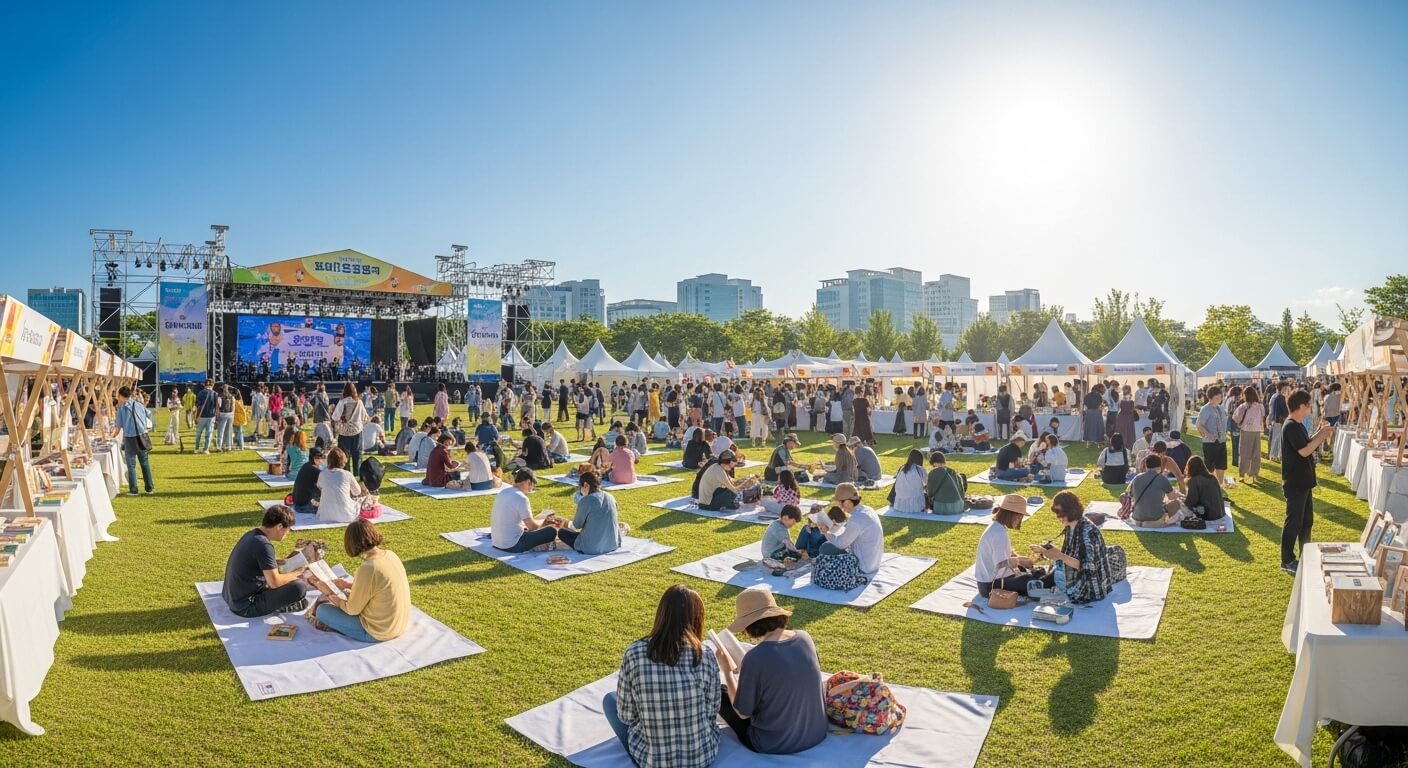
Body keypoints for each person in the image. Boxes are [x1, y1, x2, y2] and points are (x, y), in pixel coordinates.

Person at [603, 585, 721, 768]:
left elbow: (626, 716)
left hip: (651, 760)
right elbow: (712, 710)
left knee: (609, 700)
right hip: (702, 756)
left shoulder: (634, 652)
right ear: (697, 617)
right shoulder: (704, 654)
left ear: (662, 613)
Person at [714, 587, 829, 755]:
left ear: (749, 625)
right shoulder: (805, 637)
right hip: (816, 732)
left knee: (720, 692)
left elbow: (743, 713)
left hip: (773, 742)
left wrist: (727, 672)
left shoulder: (756, 658)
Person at [306, 520, 411, 643]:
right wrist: (348, 585)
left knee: (322, 611)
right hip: (399, 625)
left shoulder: (369, 568)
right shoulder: (390, 554)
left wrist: (330, 594)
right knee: (345, 592)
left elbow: (352, 610)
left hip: (378, 632)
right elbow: (379, 588)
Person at [221, 504, 309, 618]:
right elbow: (274, 582)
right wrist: (299, 572)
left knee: (289, 579)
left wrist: (287, 561)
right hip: (246, 606)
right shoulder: (263, 545)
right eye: (287, 530)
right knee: (299, 587)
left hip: (232, 598)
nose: (287, 534)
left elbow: (263, 562)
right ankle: (282, 605)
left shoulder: (252, 535)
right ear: (280, 526)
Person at [1027, 491, 1113, 604]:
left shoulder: (1088, 532)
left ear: (1071, 510)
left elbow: (1087, 567)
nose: (1058, 517)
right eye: (1056, 513)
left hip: (1090, 587)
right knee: (1035, 585)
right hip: (1072, 575)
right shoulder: (1071, 526)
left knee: (1036, 587)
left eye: (1061, 513)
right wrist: (1045, 551)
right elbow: (1068, 556)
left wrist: (1059, 555)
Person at [1281, 390, 1333, 575]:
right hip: (1295, 482)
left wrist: (1320, 432)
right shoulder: (1290, 426)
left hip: (1304, 481)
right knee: (1294, 522)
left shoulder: (1298, 425)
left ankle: (1306, 555)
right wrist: (1322, 435)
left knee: (1306, 521)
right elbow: (1304, 451)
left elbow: (1307, 443)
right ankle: (1287, 560)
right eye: (1309, 405)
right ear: (1301, 406)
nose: (1310, 409)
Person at [974, 494, 1037, 597]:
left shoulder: (997, 526)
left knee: (1025, 573)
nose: (1020, 520)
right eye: (1020, 516)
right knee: (1029, 580)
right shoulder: (999, 534)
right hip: (991, 586)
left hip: (986, 582)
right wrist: (1019, 561)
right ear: (1013, 515)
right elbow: (1000, 565)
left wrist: (1017, 560)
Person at [814, 483, 883, 576]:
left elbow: (840, 544)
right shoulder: (868, 510)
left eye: (839, 502)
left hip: (862, 566)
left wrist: (826, 532)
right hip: (873, 563)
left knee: (825, 547)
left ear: (846, 502)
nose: (839, 505)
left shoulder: (857, 519)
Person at [489, 468, 563, 552]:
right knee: (551, 531)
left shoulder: (503, 492)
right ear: (529, 482)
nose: (531, 489)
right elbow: (532, 527)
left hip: (496, 543)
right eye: (532, 485)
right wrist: (544, 521)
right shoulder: (521, 498)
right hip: (513, 545)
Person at [561, 471, 621, 554]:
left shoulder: (586, 500)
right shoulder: (611, 497)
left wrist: (564, 522)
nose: (580, 492)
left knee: (561, 532)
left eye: (580, 487)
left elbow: (577, 525)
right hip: (612, 544)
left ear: (585, 485)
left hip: (591, 548)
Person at [114, 386, 155, 496]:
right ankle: (150, 488)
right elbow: (149, 415)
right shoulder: (139, 404)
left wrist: (110, 437)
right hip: (142, 436)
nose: (117, 398)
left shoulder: (122, 409)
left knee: (131, 465)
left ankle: (134, 489)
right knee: (145, 463)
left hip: (130, 438)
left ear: (122, 396)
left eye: (118, 396)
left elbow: (118, 428)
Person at [1127, 455, 1183, 528]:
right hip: (1155, 519)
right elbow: (1172, 497)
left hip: (1137, 517)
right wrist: (1178, 494)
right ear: (1160, 466)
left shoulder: (1137, 478)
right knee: (1177, 503)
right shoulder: (1161, 478)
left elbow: (1132, 495)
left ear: (1146, 466)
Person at [1195, 386, 1230, 487]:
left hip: (1221, 440)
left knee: (1221, 465)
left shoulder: (1221, 408)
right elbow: (1199, 425)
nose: (1219, 400)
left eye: (1220, 397)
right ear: (1210, 398)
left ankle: (1220, 484)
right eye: (1217, 398)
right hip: (1210, 442)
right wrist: (1208, 434)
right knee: (1210, 466)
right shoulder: (1205, 409)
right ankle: (1210, 485)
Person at [332, 383, 370, 475]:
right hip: (357, 430)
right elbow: (365, 418)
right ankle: (357, 473)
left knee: (344, 455)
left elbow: (335, 417)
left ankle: (345, 474)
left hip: (344, 431)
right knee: (357, 454)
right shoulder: (359, 402)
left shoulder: (342, 402)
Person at [1232, 386, 1265, 483]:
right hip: (1257, 432)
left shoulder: (1243, 406)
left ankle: (1242, 475)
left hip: (1246, 431)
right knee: (1256, 455)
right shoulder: (1260, 406)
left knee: (1244, 454)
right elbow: (1262, 417)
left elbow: (1235, 418)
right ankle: (1254, 475)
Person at [1182, 455, 1226, 522]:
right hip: (1220, 512)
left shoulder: (1193, 480)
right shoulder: (1212, 477)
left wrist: (1183, 500)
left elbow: (1191, 501)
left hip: (1207, 515)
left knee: (1180, 507)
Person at [890, 448, 927, 514]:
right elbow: (927, 483)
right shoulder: (920, 469)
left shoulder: (902, 468)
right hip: (916, 506)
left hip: (900, 505)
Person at [291, 447, 324, 516]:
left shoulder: (306, 465)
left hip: (296, 504)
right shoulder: (315, 470)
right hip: (304, 507)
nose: (322, 460)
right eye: (319, 457)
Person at [194, 379, 218, 453]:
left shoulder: (200, 393)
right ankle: (206, 449)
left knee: (198, 433)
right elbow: (216, 406)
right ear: (213, 385)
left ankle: (196, 449)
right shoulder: (215, 394)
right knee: (209, 433)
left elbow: (197, 405)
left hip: (201, 416)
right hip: (211, 416)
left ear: (204, 385)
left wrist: (196, 416)